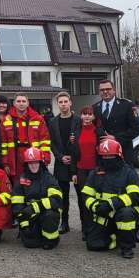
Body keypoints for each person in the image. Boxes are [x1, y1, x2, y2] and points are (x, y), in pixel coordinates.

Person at [92, 79, 139, 243]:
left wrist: (116, 138)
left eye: (108, 89)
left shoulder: (127, 106)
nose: (105, 92)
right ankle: (107, 228)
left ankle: (135, 230)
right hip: (104, 159)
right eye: (102, 90)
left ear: (114, 90)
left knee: (129, 193)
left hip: (124, 157)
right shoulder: (95, 108)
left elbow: (136, 130)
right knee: (106, 192)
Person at [80, 139, 139, 259]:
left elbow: (136, 196)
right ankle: (117, 237)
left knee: (126, 213)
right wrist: (96, 206)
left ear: (118, 156)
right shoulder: (96, 173)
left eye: (110, 156)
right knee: (94, 245)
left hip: (123, 212)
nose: (107, 159)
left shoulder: (129, 172)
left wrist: (111, 204)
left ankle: (127, 247)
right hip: (103, 214)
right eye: (104, 156)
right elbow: (86, 195)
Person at [10, 148, 63, 250]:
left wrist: (35, 207)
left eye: (36, 162)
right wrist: (24, 224)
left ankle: (51, 240)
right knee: (31, 244)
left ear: (40, 163)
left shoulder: (48, 178)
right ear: (26, 164)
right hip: (29, 216)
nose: (33, 166)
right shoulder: (22, 180)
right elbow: (17, 205)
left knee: (50, 215)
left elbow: (56, 200)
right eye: (30, 163)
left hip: (45, 214)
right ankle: (34, 234)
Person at [47, 91, 80, 234]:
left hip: (77, 162)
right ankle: (64, 223)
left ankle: (85, 225)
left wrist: (73, 156)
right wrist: (60, 157)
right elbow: (52, 143)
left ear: (70, 103)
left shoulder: (78, 120)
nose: (63, 104)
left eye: (66, 101)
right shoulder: (53, 122)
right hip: (61, 163)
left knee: (82, 195)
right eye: (60, 102)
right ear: (57, 104)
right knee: (63, 196)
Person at [0, 94, 51, 179]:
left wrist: (45, 158)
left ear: (28, 103)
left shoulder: (37, 118)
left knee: (34, 183)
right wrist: (5, 163)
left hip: (34, 158)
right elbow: (4, 144)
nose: (21, 103)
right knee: (17, 185)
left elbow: (45, 140)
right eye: (18, 101)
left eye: (24, 101)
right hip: (14, 158)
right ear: (14, 103)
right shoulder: (6, 120)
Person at [73, 106, 101, 236]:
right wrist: (74, 173)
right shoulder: (76, 132)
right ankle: (85, 229)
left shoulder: (99, 132)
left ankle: (97, 227)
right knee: (83, 200)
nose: (87, 117)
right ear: (81, 116)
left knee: (96, 199)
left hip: (96, 171)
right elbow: (72, 152)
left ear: (93, 117)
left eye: (90, 114)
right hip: (81, 171)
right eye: (84, 114)